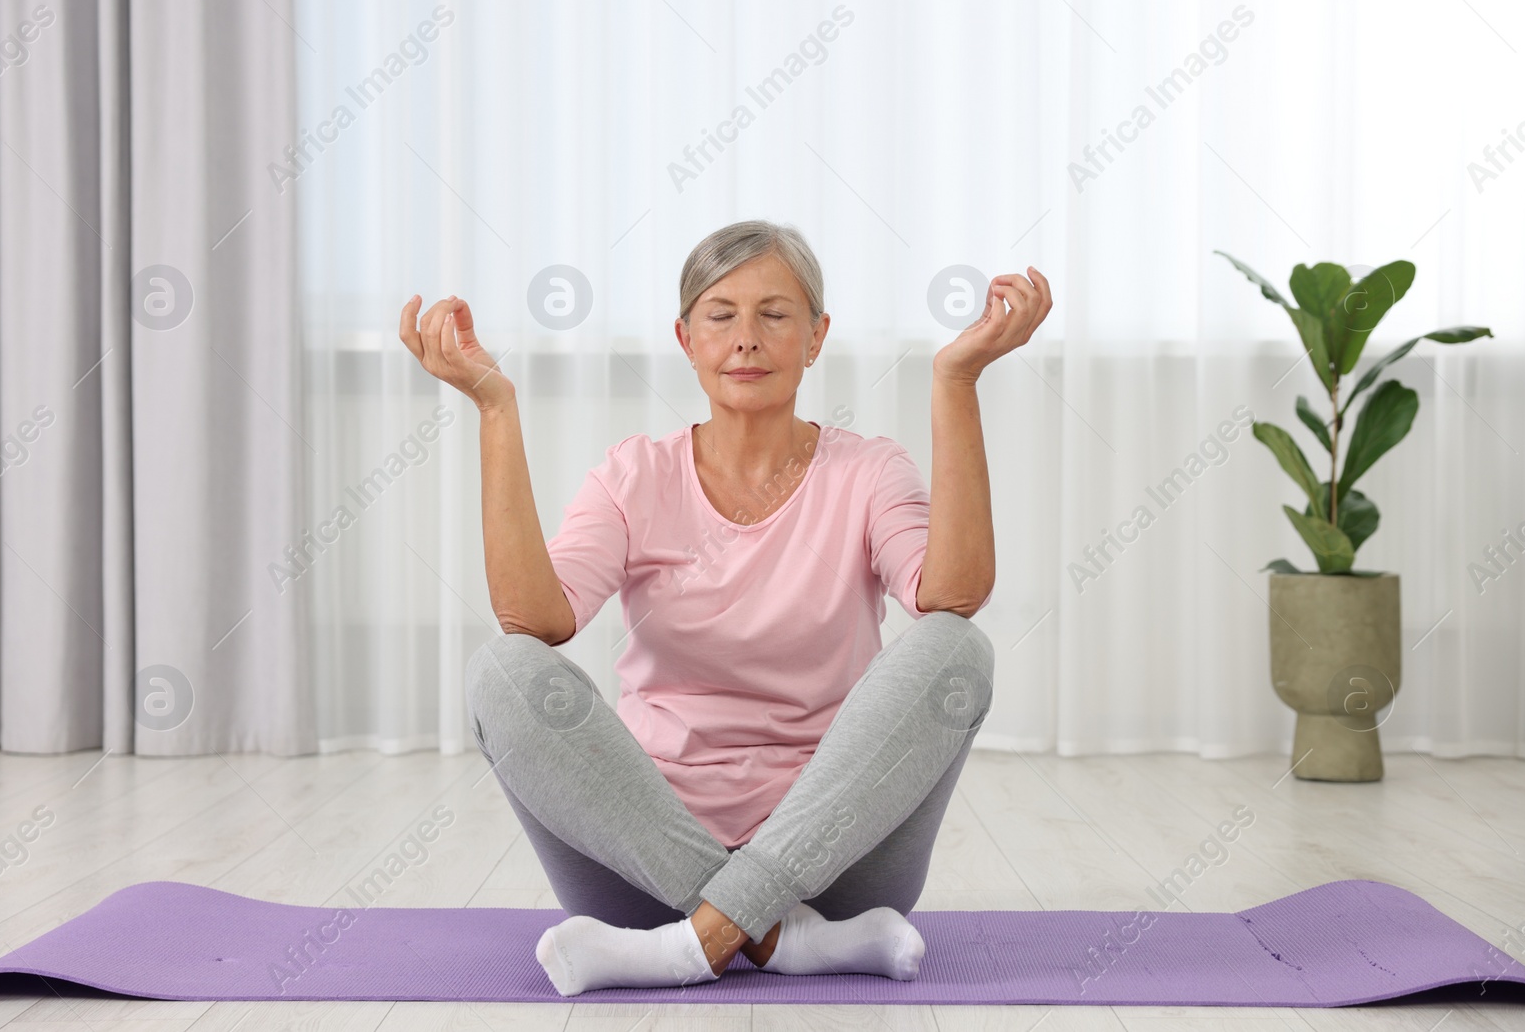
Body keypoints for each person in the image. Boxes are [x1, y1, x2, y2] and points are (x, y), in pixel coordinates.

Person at [398, 220, 1053, 995]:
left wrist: (957, 381)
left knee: (956, 647)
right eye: (721, 315)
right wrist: (494, 407)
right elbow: (535, 621)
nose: (747, 338)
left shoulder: (870, 470)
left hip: (838, 864)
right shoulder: (633, 476)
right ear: (686, 337)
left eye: (775, 314)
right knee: (501, 670)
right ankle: (785, 938)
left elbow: (953, 593)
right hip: (644, 873)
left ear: (816, 337)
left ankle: (693, 947)